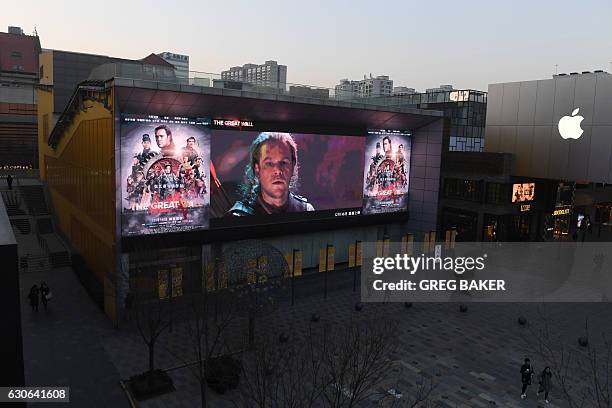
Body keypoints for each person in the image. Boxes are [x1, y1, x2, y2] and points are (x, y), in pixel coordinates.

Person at [228, 132, 315, 216]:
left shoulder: (306, 210)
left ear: (292, 166)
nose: (277, 170)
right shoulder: (239, 216)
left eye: (284, 163)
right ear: (257, 169)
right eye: (269, 163)